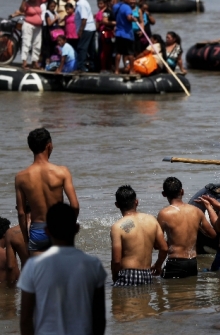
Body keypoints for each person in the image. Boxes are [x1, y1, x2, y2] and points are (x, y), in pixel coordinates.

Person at [18, 203, 106, 335]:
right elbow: (99, 318)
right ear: (77, 228)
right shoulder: (93, 265)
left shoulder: (33, 266)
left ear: (47, 231)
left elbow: (25, 319)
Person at [15, 128, 79, 256]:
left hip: (37, 231)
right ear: (49, 145)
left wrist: (27, 240)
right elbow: (75, 205)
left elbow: (22, 213)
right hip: (59, 227)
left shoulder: (21, 177)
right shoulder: (62, 172)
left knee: (41, 274)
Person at [157, 177, 216, 279]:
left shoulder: (164, 214)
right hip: (192, 262)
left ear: (164, 194)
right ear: (182, 191)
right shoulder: (196, 211)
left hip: (175, 262)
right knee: (190, 292)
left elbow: (159, 245)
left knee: (172, 293)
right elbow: (213, 235)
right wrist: (197, 227)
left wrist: (158, 264)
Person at [110, 185, 168, 286]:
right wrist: (158, 265)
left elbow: (116, 261)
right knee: (143, 301)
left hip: (127, 274)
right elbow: (164, 248)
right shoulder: (152, 220)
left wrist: (115, 276)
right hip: (147, 274)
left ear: (117, 205)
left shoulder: (117, 227)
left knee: (124, 301)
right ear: (136, 202)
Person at [19, 0, 50, 69]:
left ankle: (34, 62)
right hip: (28, 25)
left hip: (38, 26)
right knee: (26, 43)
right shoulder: (26, 3)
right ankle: (24, 62)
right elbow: (21, 10)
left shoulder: (39, 1)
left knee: (37, 44)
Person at [71, 0, 96, 72]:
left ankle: (81, 67)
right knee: (91, 49)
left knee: (82, 48)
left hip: (86, 29)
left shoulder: (81, 4)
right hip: (91, 28)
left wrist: (80, 31)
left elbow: (84, 19)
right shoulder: (82, 2)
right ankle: (93, 67)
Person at [112, 0, 136, 74]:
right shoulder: (127, 7)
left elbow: (114, 3)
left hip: (118, 33)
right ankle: (132, 70)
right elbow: (129, 18)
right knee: (130, 53)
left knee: (118, 52)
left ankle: (116, 70)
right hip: (127, 34)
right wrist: (134, 19)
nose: (130, 0)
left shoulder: (116, 6)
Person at [96, 0, 115, 72]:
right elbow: (101, 22)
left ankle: (109, 67)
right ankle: (103, 68)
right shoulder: (105, 12)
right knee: (104, 51)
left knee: (110, 51)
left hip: (110, 32)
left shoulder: (111, 11)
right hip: (105, 32)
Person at [41, 0, 59, 68]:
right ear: (48, 6)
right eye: (51, 6)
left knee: (53, 49)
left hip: (55, 33)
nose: (53, 7)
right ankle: (44, 64)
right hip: (48, 33)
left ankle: (52, 64)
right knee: (47, 49)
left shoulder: (55, 13)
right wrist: (55, 19)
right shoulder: (47, 13)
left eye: (54, 6)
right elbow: (49, 23)